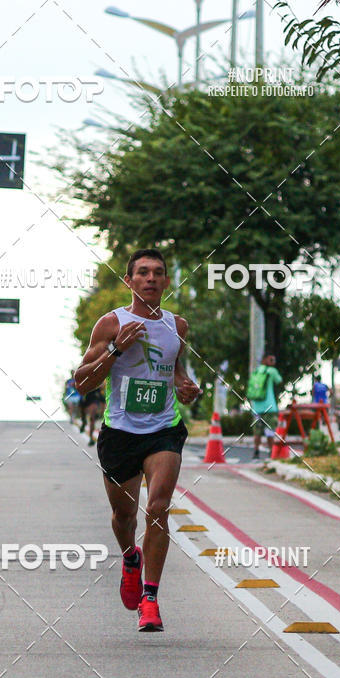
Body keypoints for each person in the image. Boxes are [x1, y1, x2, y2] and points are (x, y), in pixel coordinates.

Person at [74, 248, 201, 632]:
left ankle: (150, 599)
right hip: (120, 433)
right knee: (124, 516)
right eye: (142, 273)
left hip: (164, 429)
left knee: (158, 507)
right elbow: (82, 382)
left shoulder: (177, 326)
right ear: (129, 281)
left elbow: (175, 367)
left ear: (165, 281)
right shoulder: (111, 324)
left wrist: (183, 384)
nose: (150, 278)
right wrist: (116, 349)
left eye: (158, 273)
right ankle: (131, 556)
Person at [247, 354, 282, 459]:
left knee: (257, 431)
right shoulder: (271, 371)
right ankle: (271, 452)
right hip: (269, 407)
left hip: (256, 407)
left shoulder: (255, 372)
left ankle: (256, 451)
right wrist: (273, 366)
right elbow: (279, 380)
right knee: (270, 431)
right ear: (267, 359)